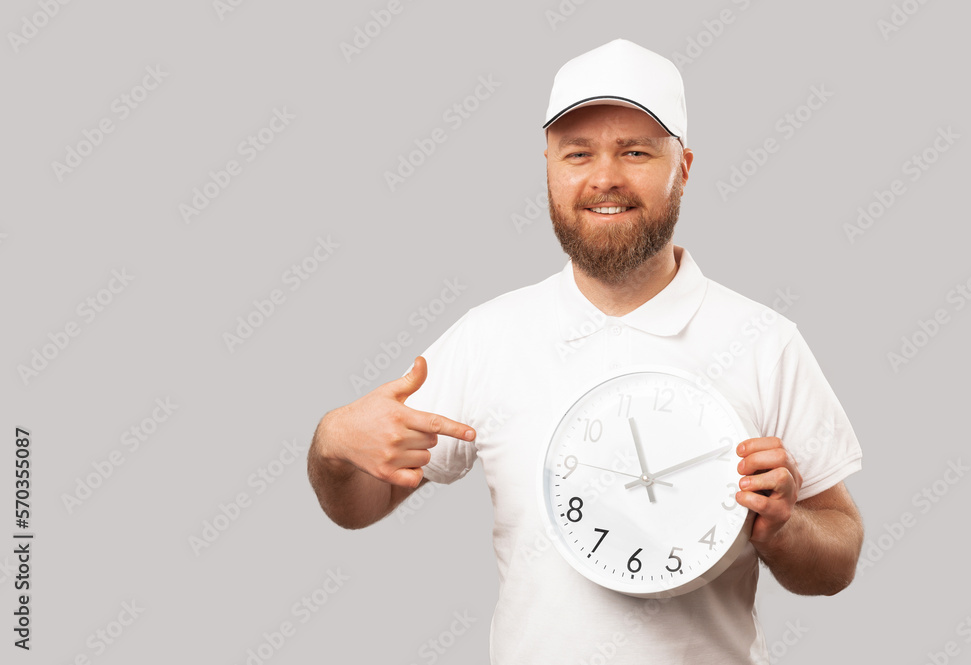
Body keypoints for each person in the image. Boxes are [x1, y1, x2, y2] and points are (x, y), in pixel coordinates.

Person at [308, 38, 864, 664]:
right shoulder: (490, 336)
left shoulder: (764, 342)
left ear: (682, 166)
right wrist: (332, 444)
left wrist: (785, 526)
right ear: (548, 166)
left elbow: (838, 556)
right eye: (578, 153)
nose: (605, 177)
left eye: (635, 152)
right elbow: (359, 506)